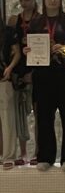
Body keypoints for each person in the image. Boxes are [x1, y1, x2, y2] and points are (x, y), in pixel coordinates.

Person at [26, 0, 65, 172]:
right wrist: (27, 51)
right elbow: (30, 46)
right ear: (44, 0)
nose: (53, 1)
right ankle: (45, 157)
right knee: (44, 117)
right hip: (43, 75)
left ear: (60, 0)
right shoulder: (36, 23)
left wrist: (64, 48)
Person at [9, 0, 38, 165]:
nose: (24, 3)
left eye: (27, 0)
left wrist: (34, 73)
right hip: (19, 68)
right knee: (20, 112)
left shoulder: (40, 19)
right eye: (21, 0)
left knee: (38, 112)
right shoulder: (15, 20)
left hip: (37, 68)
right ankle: (23, 152)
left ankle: (38, 151)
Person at [0, 17, 21, 170]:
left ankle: (9, 156)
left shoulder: (8, 32)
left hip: (4, 77)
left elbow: (17, 53)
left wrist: (10, 68)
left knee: (7, 117)